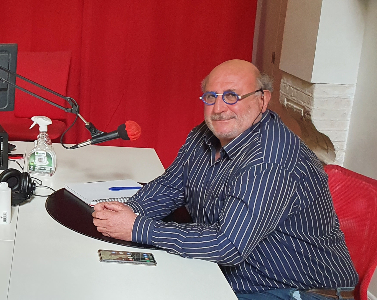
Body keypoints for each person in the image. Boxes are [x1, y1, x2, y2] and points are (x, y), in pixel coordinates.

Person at [92, 60, 358, 300]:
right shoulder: (205, 134)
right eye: (211, 97)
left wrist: (137, 227)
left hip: (295, 290)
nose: (219, 109)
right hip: (237, 274)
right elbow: (170, 186)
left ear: (262, 100)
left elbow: (227, 244)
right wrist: (128, 211)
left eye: (232, 96)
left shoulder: (270, 160)